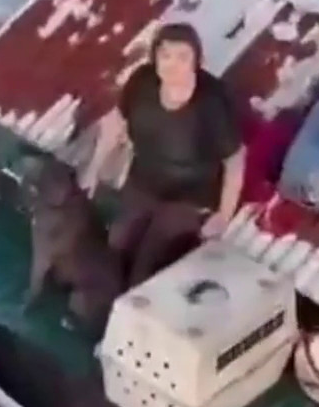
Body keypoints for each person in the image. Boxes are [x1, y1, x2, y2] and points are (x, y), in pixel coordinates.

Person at [84, 22, 246, 286]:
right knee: (117, 244)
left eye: (182, 57)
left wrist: (223, 216)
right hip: (144, 182)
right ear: (155, 57)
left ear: (197, 62)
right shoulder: (142, 82)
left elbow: (235, 160)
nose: (172, 65)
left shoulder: (212, 104)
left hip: (189, 197)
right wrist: (94, 171)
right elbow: (115, 122)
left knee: (147, 263)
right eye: (165, 55)